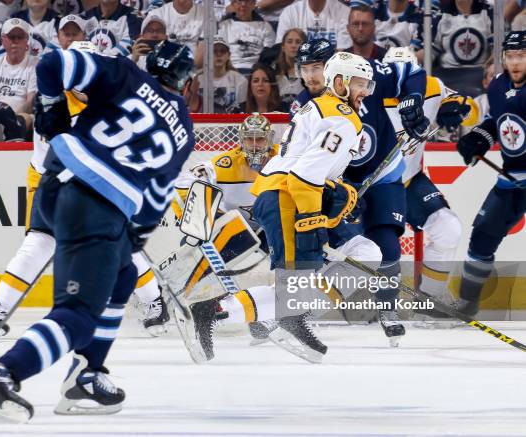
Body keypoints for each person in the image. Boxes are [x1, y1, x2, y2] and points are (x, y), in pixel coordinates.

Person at [0, 40, 195, 421]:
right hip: (95, 208)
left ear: (150, 64)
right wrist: (131, 237)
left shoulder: (125, 72)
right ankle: (1, 376)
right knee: (77, 315)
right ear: (187, 85)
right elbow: (156, 198)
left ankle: (87, 373)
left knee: (124, 275)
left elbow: (52, 63)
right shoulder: (183, 129)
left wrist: (51, 107)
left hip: (54, 186)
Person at [177, 52, 379, 362]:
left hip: (290, 193)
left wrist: (338, 190)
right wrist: (313, 216)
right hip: (291, 197)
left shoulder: (322, 107)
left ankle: (291, 316)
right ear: (340, 82)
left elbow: (310, 166)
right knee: (295, 280)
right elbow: (306, 173)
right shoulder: (341, 117)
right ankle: (214, 311)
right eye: (361, 84)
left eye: (368, 84)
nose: (366, 91)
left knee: (366, 253)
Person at [293, 43, 429, 346]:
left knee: (388, 247)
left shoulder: (361, 74)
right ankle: (302, 309)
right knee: (348, 252)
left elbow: (413, 72)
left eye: (316, 67)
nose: (310, 76)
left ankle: (387, 308)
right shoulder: (305, 106)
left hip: (383, 176)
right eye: (304, 69)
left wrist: (413, 102)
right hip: (340, 188)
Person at [382, 47, 474, 324]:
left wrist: (453, 107)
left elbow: (466, 105)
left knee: (448, 228)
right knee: (369, 249)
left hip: (409, 182)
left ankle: (429, 301)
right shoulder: (369, 93)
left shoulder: (431, 86)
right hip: (372, 186)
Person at [455, 31, 526, 317]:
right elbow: (496, 122)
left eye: (521, 55)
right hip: (511, 179)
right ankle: (466, 304)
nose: (515, 62)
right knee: (482, 237)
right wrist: (478, 140)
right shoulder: (497, 87)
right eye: (510, 56)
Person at [0, 18, 38, 133]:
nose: (16, 41)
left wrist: (9, 117)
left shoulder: (36, 66)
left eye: (20, 37)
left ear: (27, 40)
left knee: (25, 118)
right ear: (3, 40)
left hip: (22, 116)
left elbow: (30, 103)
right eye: (11, 37)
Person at [189, 36, 248, 113]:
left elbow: (242, 111)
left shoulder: (240, 81)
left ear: (228, 55)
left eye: (222, 51)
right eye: (214, 51)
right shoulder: (197, 80)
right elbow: (192, 109)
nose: (219, 54)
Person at [217, 0, 276, 74]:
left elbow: (269, 53)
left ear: (254, 3)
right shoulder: (225, 26)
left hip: (257, 71)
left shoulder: (265, 27)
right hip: (231, 70)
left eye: (247, 1)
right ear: (232, 4)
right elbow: (221, 52)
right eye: (239, 1)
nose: (243, 4)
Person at [275, 0, 351, 49]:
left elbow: (343, 50)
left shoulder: (344, 12)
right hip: (297, 67)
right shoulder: (290, 12)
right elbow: (282, 49)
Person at [275, 28, 306, 109]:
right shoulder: (273, 71)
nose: (293, 45)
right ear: (283, 47)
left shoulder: (311, 73)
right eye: (289, 42)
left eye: (298, 42)